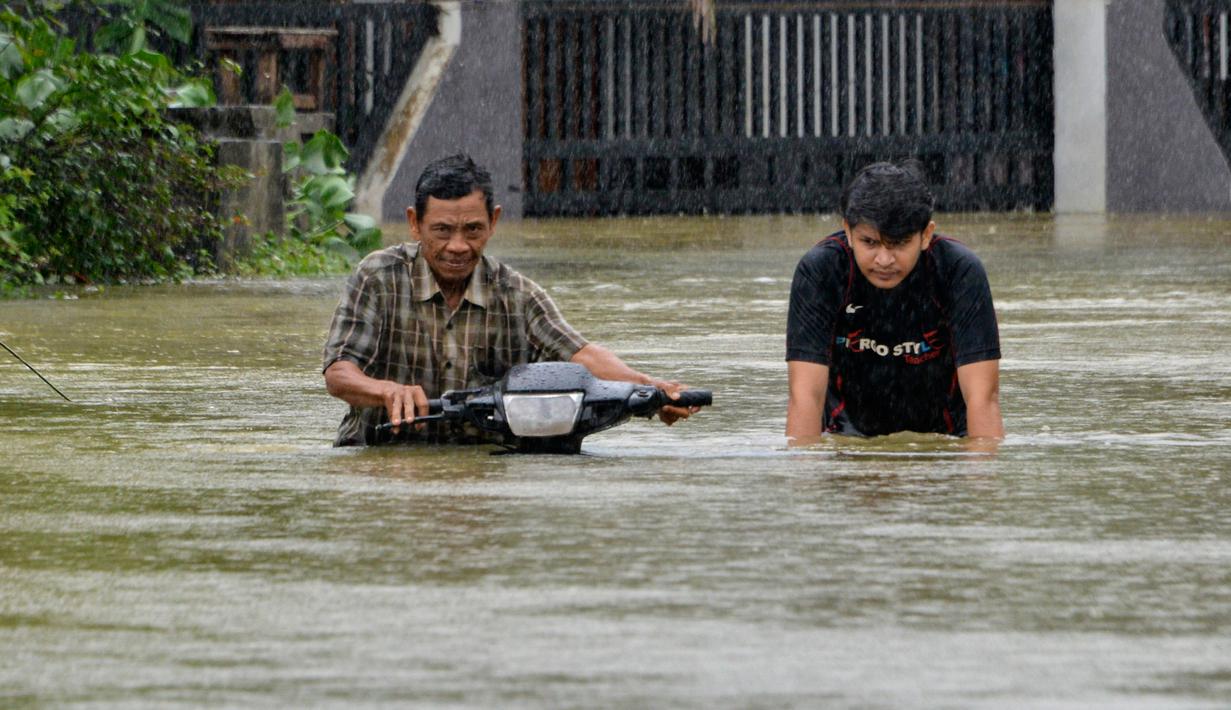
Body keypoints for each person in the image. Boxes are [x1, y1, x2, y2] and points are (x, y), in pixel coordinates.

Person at [323, 153, 697, 446]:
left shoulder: (517, 295)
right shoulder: (378, 277)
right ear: (414, 223)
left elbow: (581, 356)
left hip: (482, 465)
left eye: (472, 230)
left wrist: (651, 388)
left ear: (494, 221)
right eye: (441, 230)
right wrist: (386, 390)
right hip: (380, 455)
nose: (457, 246)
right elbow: (339, 374)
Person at [785, 161, 1003, 442]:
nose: (884, 260)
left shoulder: (958, 271)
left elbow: (983, 398)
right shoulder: (821, 271)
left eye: (899, 243)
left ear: (926, 235)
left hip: (943, 439)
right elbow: (805, 397)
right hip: (847, 440)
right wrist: (804, 476)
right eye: (870, 243)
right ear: (848, 232)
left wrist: (982, 481)